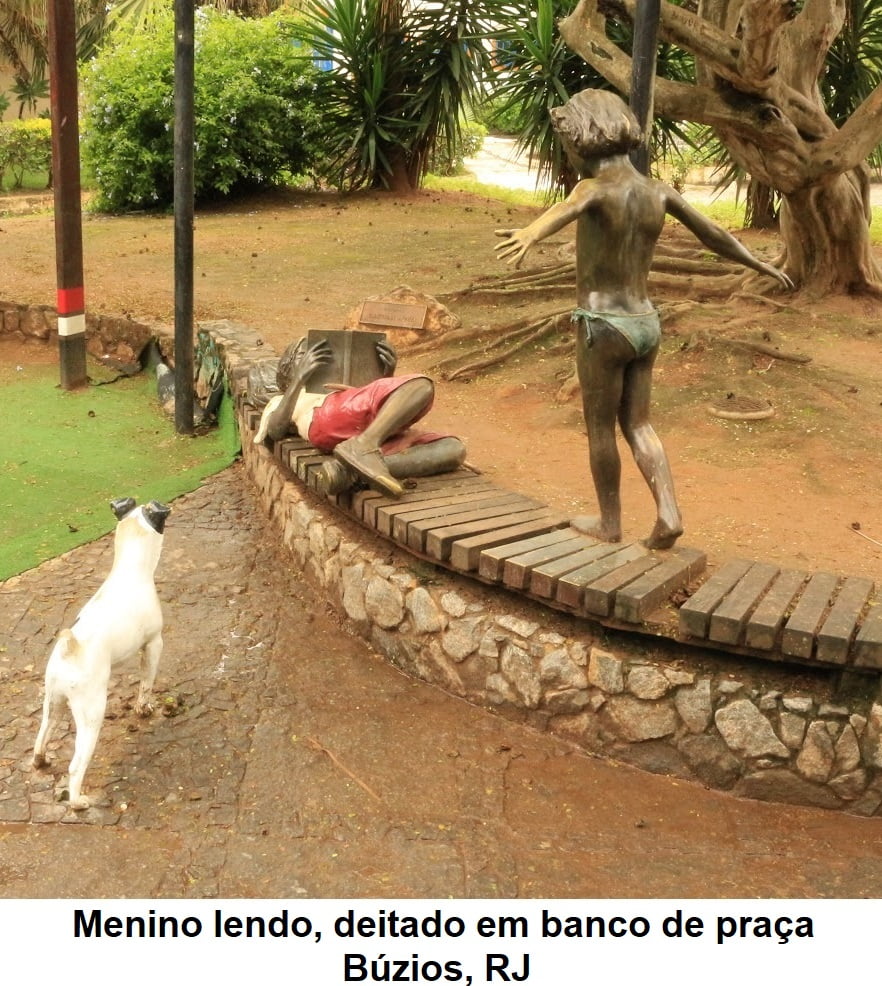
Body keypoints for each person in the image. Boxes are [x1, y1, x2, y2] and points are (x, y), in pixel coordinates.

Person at [495, 88, 793, 549]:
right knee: (639, 424)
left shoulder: (592, 188)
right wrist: (759, 263)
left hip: (604, 326)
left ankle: (609, 523)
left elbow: (563, 210)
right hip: (646, 323)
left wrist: (530, 232)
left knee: (600, 427)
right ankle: (668, 513)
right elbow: (714, 234)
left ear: (582, 138)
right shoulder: (657, 190)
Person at [252, 334, 466, 498]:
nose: (314, 356)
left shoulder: (347, 392)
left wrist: (386, 375)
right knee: (421, 385)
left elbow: (375, 413)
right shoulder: (286, 398)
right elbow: (276, 430)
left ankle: (348, 472)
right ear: (288, 367)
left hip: (365, 432)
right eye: (304, 354)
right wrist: (299, 379)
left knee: (453, 449)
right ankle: (362, 447)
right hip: (329, 417)